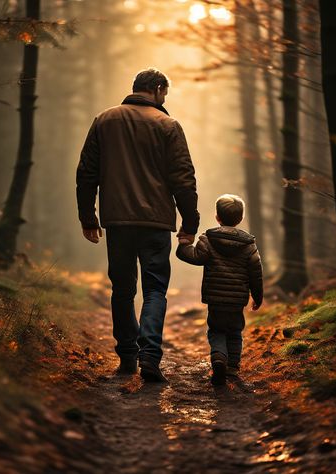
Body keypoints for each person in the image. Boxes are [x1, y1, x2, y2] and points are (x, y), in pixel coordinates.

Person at [76, 68, 199, 382]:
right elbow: (183, 179)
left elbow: (87, 172)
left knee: (122, 289)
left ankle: (128, 358)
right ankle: (150, 356)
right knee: (155, 289)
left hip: (117, 221)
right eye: (165, 94)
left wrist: (88, 218)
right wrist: (190, 221)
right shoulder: (168, 125)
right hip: (156, 222)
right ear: (158, 89)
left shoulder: (104, 120)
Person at [176, 194, 263, 385]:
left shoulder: (208, 240)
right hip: (237, 300)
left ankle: (218, 358)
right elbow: (256, 272)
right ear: (240, 218)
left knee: (216, 330)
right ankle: (232, 367)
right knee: (235, 332)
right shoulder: (249, 245)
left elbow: (195, 257)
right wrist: (257, 296)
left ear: (217, 217)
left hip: (215, 299)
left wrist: (184, 244)